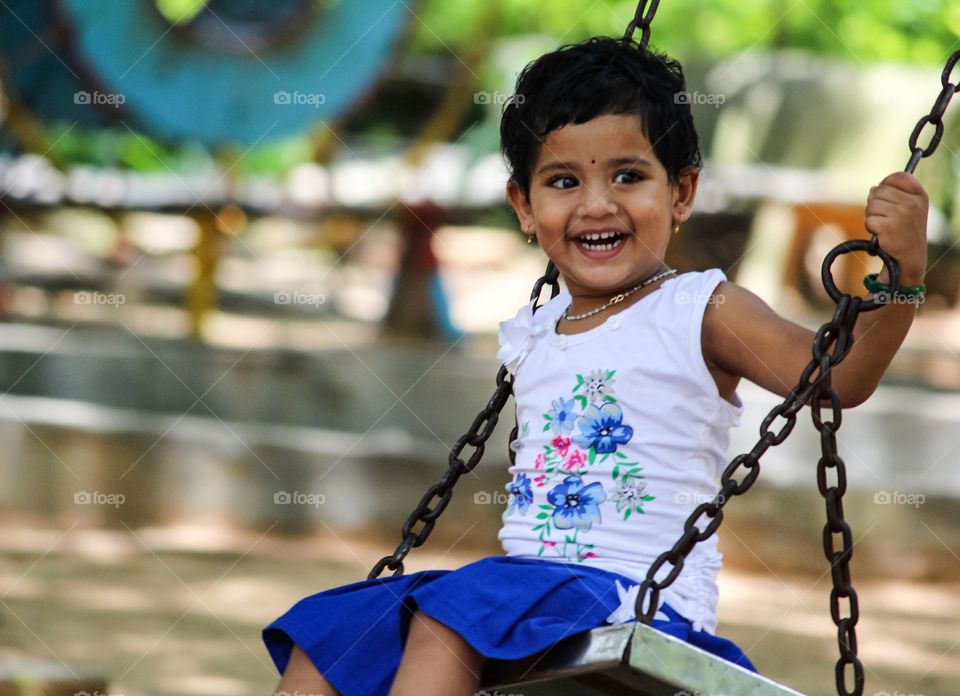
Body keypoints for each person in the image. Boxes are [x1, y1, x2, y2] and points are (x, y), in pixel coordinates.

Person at [264, 35, 929, 696]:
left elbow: (839, 379)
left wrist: (903, 278)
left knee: (446, 622)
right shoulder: (537, 327)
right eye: (562, 181)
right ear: (523, 206)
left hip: (636, 596)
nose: (597, 204)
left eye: (629, 176)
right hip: (522, 597)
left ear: (682, 192)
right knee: (329, 633)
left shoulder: (702, 308)